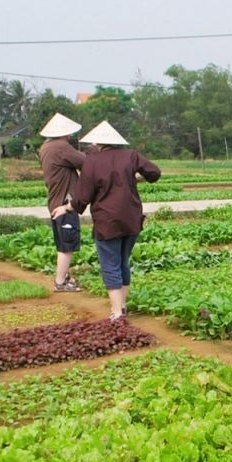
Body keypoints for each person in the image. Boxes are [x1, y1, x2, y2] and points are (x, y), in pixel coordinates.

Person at [72, 120, 161, 320]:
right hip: (131, 218)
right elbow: (154, 172)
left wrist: (70, 206)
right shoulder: (131, 156)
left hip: (107, 220)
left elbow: (83, 197)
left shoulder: (92, 162)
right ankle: (122, 307)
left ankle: (116, 312)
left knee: (110, 264)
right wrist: (137, 177)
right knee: (122, 262)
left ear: (98, 143)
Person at [38, 113, 86, 292]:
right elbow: (86, 162)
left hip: (54, 200)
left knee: (62, 243)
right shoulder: (61, 147)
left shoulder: (46, 147)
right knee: (67, 245)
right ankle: (60, 282)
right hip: (64, 203)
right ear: (65, 133)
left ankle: (65, 277)